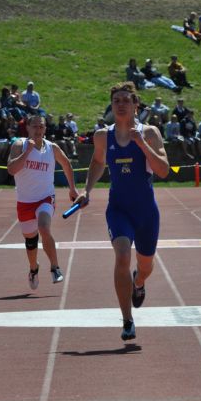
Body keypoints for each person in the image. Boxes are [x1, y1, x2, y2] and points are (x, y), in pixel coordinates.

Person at [75, 82, 171, 341]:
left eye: (125, 100)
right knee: (121, 255)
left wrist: (142, 145)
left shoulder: (149, 132)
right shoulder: (102, 136)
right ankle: (128, 320)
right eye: (116, 100)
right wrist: (87, 190)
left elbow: (163, 171)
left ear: (135, 105)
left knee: (145, 266)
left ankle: (138, 283)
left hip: (146, 212)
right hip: (118, 209)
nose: (120, 104)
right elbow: (97, 161)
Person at [6, 114, 78, 290]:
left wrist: (72, 189)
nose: (38, 130)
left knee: (44, 227)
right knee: (30, 242)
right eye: (35, 127)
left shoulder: (52, 148)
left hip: (46, 198)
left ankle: (55, 267)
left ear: (45, 129)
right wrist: (27, 152)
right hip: (25, 202)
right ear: (28, 128)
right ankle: (33, 268)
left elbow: (66, 164)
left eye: (41, 127)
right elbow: (11, 169)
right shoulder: (19, 145)